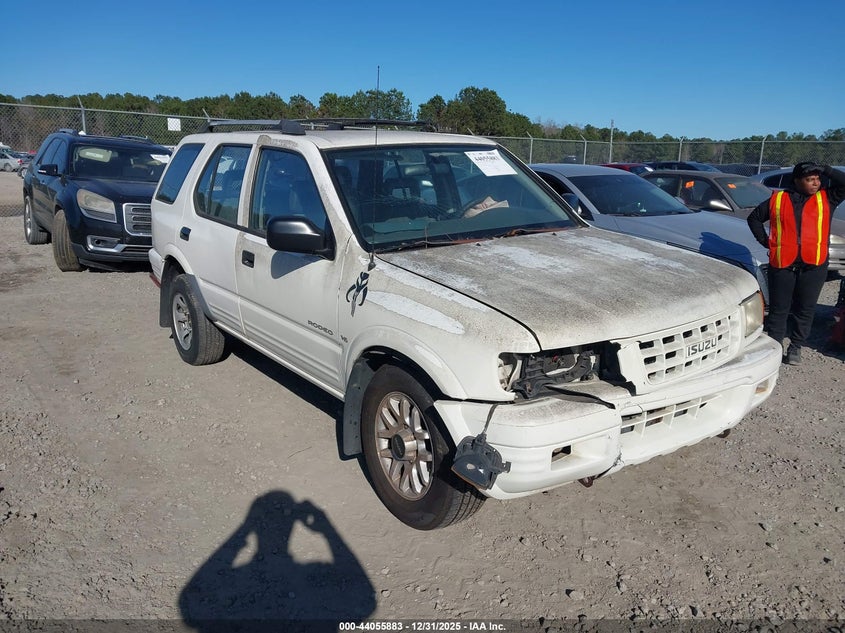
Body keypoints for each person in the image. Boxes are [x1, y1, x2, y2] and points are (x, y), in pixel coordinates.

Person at [747, 162, 845, 365]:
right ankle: (774, 347)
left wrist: (827, 170)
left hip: (814, 264)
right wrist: (766, 241)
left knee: (805, 308)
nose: (815, 183)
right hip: (783, 263)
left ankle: (796, 347)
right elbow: (754, 219)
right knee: (779, 309)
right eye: (810, 180)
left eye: (817, 179)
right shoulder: (778, 199)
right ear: (797, 181)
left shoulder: (827, 198)